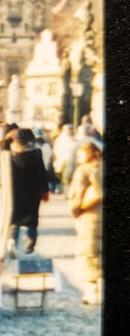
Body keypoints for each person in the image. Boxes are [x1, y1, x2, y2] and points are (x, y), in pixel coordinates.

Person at [68, 139, 103, 305]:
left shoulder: (85, 170)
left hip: (91, 218)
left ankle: (92, 293)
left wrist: (75, 210)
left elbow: (78, 195)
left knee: (88, 254)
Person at [7, 128, 50, 255]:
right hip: (32, 192)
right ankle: (30, 247)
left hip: (15, 192)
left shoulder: (10, 154)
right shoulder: (36, 153)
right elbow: (42, 174)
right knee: (32, 220)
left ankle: (11, 242)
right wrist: (45, 190)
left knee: (15, 219)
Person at [52, 123, 78, 193]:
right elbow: (57, 151)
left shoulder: (74, 138)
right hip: (64, 160)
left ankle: (68, 191)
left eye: (71, 130)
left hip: (72, 160)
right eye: (69, 130)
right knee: (66, 177)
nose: (71, 131)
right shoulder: (60, 139)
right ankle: (66, 191)